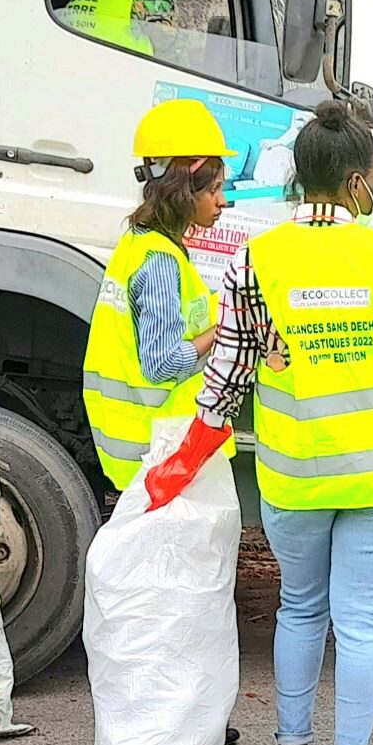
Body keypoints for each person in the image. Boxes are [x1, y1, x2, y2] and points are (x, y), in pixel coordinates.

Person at [140, 100, 373, 745]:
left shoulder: (255, 257)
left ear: (298, 177)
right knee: (363, 622)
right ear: (361, 181)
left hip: (295, 470)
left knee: (300, 609)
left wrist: (180, 465)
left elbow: (228, 377)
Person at [81, 99, 236, 492]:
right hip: (160, 453)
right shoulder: (161, 263)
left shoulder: (138, 244)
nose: (222, 201)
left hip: (143, 449)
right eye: (215, 189)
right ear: (185, 192)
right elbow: (162, 364)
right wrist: (222, 331)